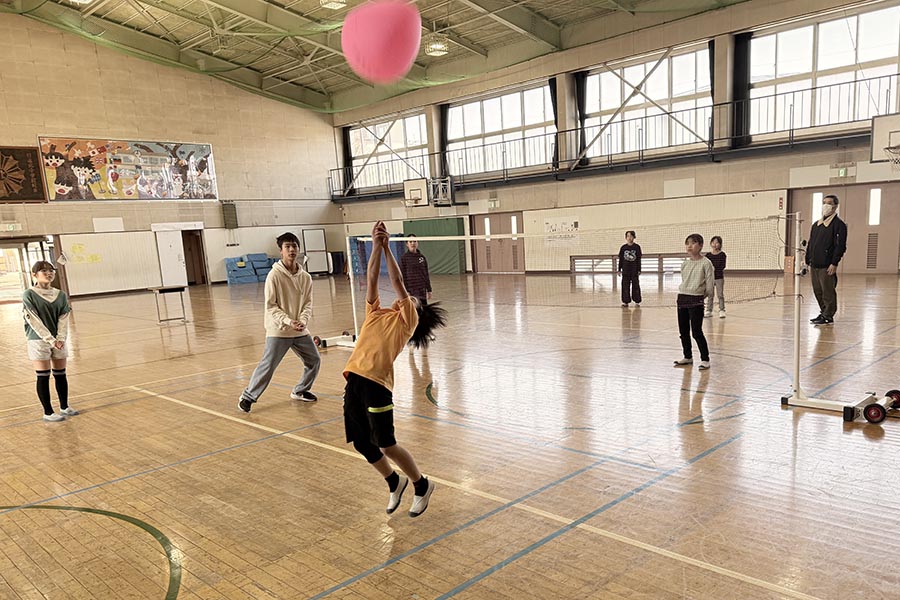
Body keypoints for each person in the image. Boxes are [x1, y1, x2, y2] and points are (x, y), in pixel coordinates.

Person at [343, 221, 447, 517]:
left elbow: (399, 283)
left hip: (377, 385)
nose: (407, 299)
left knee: (386, 443)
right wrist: (375, 246)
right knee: (363, 443)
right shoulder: (375, 312)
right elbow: (373, 277)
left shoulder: (406, 322)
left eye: (412, 301)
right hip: (354, 380)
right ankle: (393, 481)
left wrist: (389, 247)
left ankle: (422, 484)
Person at [239, 232, 320, 413]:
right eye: (287, 247)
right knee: (268, 365)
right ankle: (248, 397)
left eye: (294, 246)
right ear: (281, 251)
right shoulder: (273, 276)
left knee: (314, 360)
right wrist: (288, 321)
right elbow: (271, 306)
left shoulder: (306, 277)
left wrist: (303, 321)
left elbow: (307, 303)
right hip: (279, 329)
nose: (291, 250)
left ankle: (300, 390)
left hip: (299, 329)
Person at [23, 261, 76, 422]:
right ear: (34, 275)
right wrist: (51, 340)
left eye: (51, 270)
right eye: (44, 271)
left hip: (58, 341)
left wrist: (60, 338)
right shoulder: (29, 294)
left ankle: (64, 406)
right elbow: (34, 320)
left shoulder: (60, 294)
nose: (49, 273)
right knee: (43, 375)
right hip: (38, 340)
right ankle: (48, 412)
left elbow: (63, 317)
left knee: (61, 374)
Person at [674, 234, 715, 370]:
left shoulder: (706, 263)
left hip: (696, 300)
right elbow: (685, 281)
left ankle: (705, 359)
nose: (689, 246)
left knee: (696, 332)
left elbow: (709, 286)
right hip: (682, 298)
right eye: (687, 244)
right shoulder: (685, 264)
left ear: (701, 245)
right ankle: (687, 356)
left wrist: (699, 298)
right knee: (683, 331)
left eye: (693, 243)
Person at [806, 194, 847, 326]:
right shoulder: (816, 225)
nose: (826, 206)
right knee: (817, 290)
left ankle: (828, 315)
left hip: (827, 265)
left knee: (827, 291)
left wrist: (834, 263)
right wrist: (808, 259)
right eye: (824, 203)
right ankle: (823, 312)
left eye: (829, 203)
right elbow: (811, 243)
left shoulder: (839, 225)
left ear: (835, 206)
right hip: (814, 264)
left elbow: (840, 246)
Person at [399, 234, 432, 305]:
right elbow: (403, 276)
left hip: (422, 289)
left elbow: (426, 274)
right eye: (410, 242)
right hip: (411, 290)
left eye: (414, 241)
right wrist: (406, 290)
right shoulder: (404, 258)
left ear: (417, 243)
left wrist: (429, 289)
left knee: (424, 311)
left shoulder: (422, 257)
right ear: (407, 244)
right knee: (414, 311)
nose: (413, 243)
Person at [617, 230, 642, 307]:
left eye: (631, 236)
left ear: (634, 237)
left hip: (634, 270)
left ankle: (637, 300)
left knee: (635, 285)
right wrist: (619, 269)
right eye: (628, 236)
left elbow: (638, 259)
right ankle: (625, 301)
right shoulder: (623, 248)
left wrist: (639, 269)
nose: (629, 238)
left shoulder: (637, 247)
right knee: (625, 286)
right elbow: (621, 259)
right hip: (625, 270)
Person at [705, 235, 727, 319]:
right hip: (710, 278)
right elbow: (706, 266)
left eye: (717, 242)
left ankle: (722, 310)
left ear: (720, 244)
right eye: (713, 242)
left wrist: (714, 268)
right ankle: (709, 310)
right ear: (711, 243)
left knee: (720, 294)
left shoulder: (722, 255)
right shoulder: (708, 255)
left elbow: (722, 266)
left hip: (719, 277)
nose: (715, 244)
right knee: (710, 294)